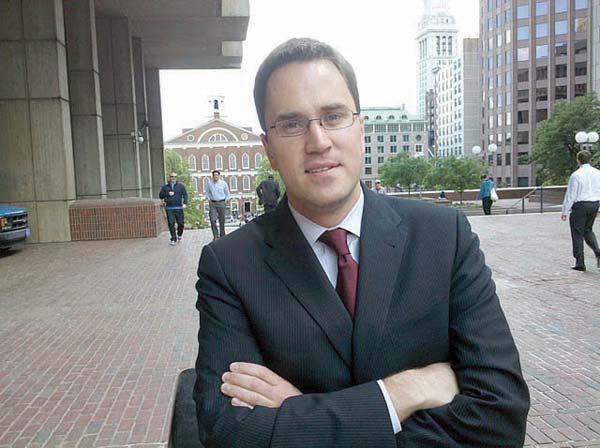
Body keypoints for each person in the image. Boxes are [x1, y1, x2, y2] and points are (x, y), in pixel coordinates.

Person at [193, 38, 529, 447]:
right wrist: (401, 393)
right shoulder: (229, 265)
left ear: (360, 129)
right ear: (269, 149)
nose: (317, 141)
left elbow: (500, 417)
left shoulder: (444, 236)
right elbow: (230, 435)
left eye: (333, 116)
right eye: (292, 124)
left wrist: (304, 418)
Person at [561, 150, 600, 271]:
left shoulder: (576, 175)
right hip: (594, 204)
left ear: (578, 160)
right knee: (588, 230)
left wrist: (565, 211)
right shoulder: (597, 173)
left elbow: (571, 194)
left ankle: (580, 262)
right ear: (590, 159)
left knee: (577, 233)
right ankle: (598, 252)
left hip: (580, 205)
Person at [158, 172, 188, 246]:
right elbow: (160, 196)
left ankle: (179, 234)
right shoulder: (165, 187)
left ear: (176, 178)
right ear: (169, 178)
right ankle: (173, 238)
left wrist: (185, 203)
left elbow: (185, 194)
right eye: (172, 177)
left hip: (178, 207)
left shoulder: (181, 186)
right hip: (169, 208)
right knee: (171, 223)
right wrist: (167, 194)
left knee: (181, 223)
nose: (173, 178)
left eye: (175, 177)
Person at [205, 170, 230, 240]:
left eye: (217, 175)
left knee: (222, 220)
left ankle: (222, 236)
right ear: (212, 176)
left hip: (222, 203)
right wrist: (208, 199)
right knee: (212, 220)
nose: (215, 176)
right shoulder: (209, 184)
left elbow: (227, 193)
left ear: (219, 176)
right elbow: (207, 192)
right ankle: (215, 235)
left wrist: (226, 200)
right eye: (214, 175)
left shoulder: (223, 183)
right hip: (213, 203)